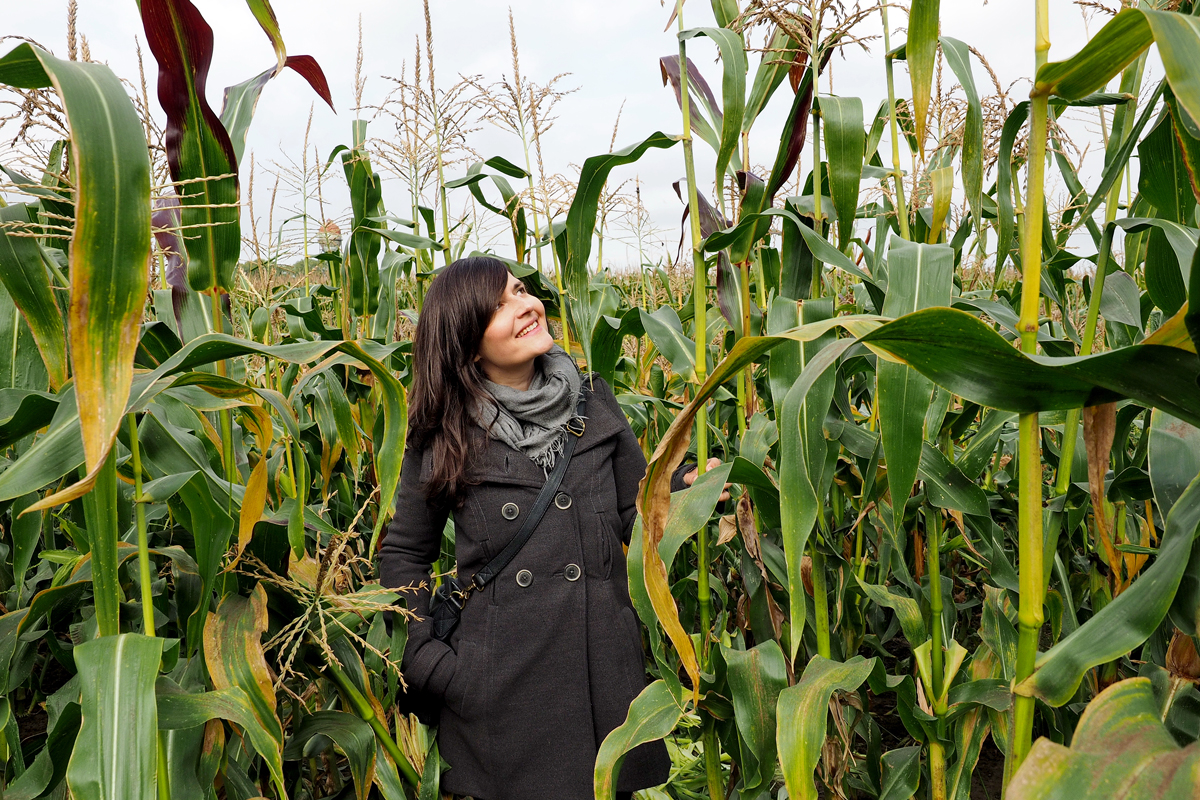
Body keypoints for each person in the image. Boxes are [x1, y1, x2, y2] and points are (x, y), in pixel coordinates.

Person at [378, 256, 725, 800]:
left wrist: (681, 493)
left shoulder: (593, 403)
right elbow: (403, 555)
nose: (525, 307)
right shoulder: (444, 433)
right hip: (501, 689)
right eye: (499, 306)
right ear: (467, 341)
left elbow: (634, 518)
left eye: (520, 291)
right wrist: (435, 665)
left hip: (603, 679)